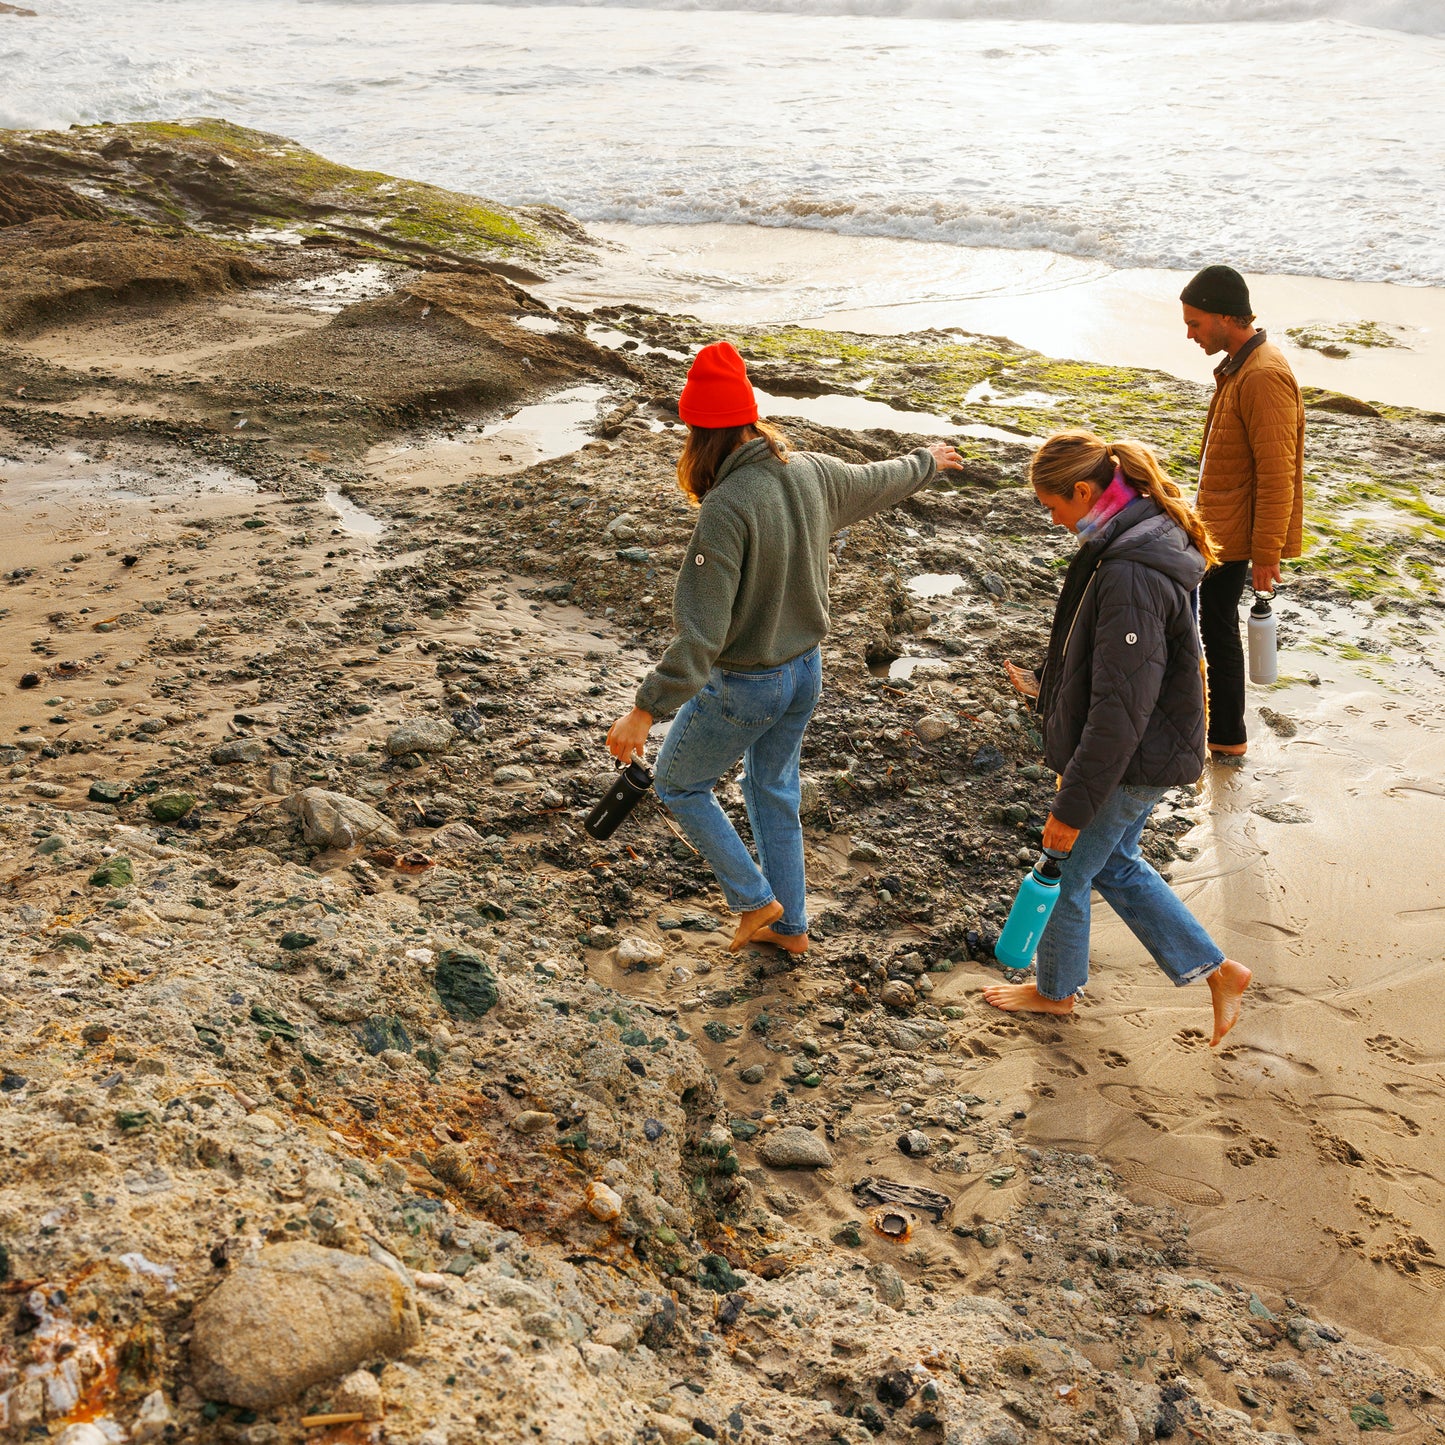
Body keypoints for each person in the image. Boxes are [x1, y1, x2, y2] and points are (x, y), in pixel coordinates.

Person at [606, 341, 963, 954]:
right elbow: (881, 480)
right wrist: (927, 460)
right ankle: (789, 927)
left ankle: (754, 901)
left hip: (747, 684)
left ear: (700, 434)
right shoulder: (812, 472)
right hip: (805, 673)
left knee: (678, 785)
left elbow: (701, 634)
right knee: (771, 788)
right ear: (749, 419)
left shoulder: (725, 508)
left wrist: (645, 709)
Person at [986, 430, 1251, 1047]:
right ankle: (1218, 973)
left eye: (1053, 507)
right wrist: (1048, 686)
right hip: (1149, 748)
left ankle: (1055, 994)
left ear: (1083, 490)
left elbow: (1120, 707)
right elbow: (1117, 671)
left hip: (1134, 756)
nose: (1052, 521)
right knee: (1117, 866)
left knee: (1066, 870)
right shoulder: (1133, 537)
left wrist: (1069, 807)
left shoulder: (1129, 566)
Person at [1180, 264, 1304, 757]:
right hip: (1219, 525)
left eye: (1195, 323)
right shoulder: (1239, 365)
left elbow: (1279, 475)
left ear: (1225, 317)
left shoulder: (1263, 374)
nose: (1189, 333)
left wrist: (1267, 553)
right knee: (1208, 622)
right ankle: (1223, 733)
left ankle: (1228, 736)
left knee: (1215, 628)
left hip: (1234, 533)